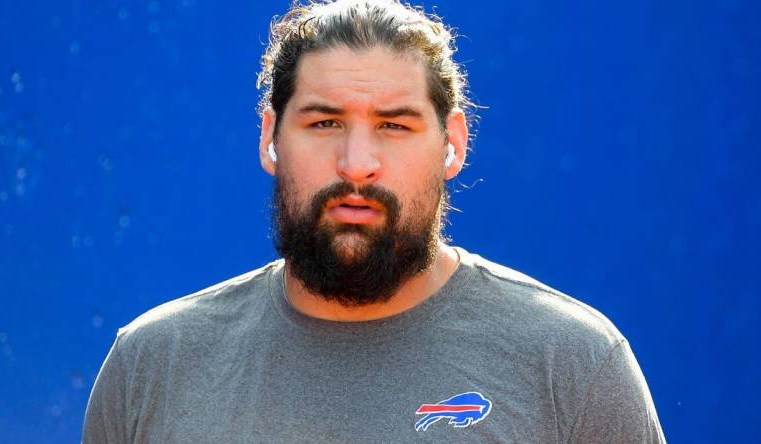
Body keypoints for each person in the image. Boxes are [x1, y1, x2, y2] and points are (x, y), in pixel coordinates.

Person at [83, 0, 666, 442]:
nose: (356, 164)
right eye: (324, 123)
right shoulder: (153, 365)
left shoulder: (574, 364)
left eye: (394, 125)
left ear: (453, 145)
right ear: (269, 139)